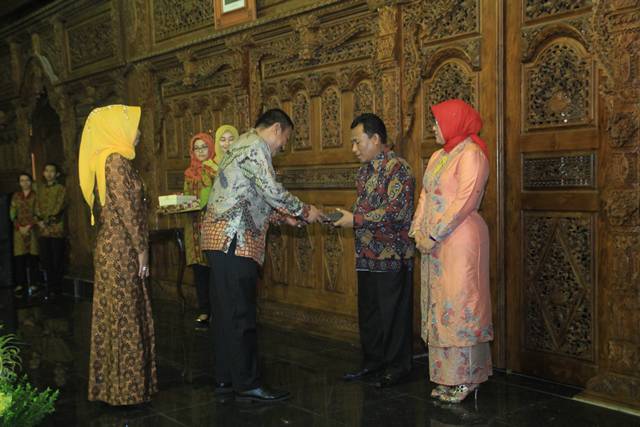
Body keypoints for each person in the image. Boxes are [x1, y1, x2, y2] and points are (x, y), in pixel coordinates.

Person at [201, 108, 324, 402]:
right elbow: (272, 190)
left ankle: (226, 377)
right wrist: (305, 210)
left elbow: (250, 197)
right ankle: (248, 383)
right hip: (234, 240)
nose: (283, 147)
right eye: (285, 140)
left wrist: (285, 218)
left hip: (220, 239)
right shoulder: (256, 146)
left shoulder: (242, 144)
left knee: (225, 315)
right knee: (240, 315)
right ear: (277, 129)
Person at [410, 99, 492, 403]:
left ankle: (468, 377)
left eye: (437, 121)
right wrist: (418, 231)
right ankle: (447, 376)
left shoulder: (472, 154)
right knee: (439, 305)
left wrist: (434, 233)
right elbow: (425, 195)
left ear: (454, 121)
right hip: (434, 243)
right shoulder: (438, 156)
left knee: (460, 304)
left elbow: (465, 201)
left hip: (460, 240)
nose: (433, 127)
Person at [79, 104, 157, 406]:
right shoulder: (114, 161)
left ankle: (120, 388)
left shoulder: (112, 159)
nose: (139, 133)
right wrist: (142, 250)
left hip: (117, 247)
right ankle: (127, 391)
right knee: (125, 317)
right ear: (117, 129)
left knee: (121, 315)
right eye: (134, 126)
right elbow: (128, 212)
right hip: (121, 249)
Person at [334, 113, 415, 388]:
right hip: (366, 254)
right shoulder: (364, 171)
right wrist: (343, 217)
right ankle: (373, 362)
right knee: (369, 312)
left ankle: (397, 367)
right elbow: (365, 208)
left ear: (376, 139)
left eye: (357, 142)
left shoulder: (398, 168)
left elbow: (396, 212)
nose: (353, 149)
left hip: (392, 255)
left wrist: (355, 220)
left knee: (393, 314)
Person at [183, 131, 221, 328]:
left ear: (211, 148)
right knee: (199, 270)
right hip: (193, 225)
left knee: (215, 269)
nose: (200, 151)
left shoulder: (216, 169)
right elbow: (186, 197)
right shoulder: (189, 173)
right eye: (196, 148)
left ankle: (218, 311)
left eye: (204, 147)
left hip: (211, 225)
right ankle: (204, 310)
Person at [35, 163, 66, 297]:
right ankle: (49, 286)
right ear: (43, 173)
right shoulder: (40, 189)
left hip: (56, 228)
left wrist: (48, 220)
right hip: (43, 230)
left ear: (57, 174)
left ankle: (57, 287)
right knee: (46, 259)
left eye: (52, 171)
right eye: (46, 171)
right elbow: (37, 206)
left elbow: (60, 205)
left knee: (56, 259)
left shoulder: (61, 189)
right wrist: (39, 220)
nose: (49, 174)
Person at [10, 173, 39, 296]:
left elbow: (38, 212)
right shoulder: (16, 196)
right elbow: (12, 214)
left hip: (32, 229)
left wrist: (29, 226)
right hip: (19, 230)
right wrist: (19, 227)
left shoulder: (36, 196)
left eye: (27, 180)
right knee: (19, 259)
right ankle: (20, 285)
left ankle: (34, 284)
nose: (25, 183)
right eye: (22, 180)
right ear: (19, 183)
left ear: (31, 182)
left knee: (33, 258)